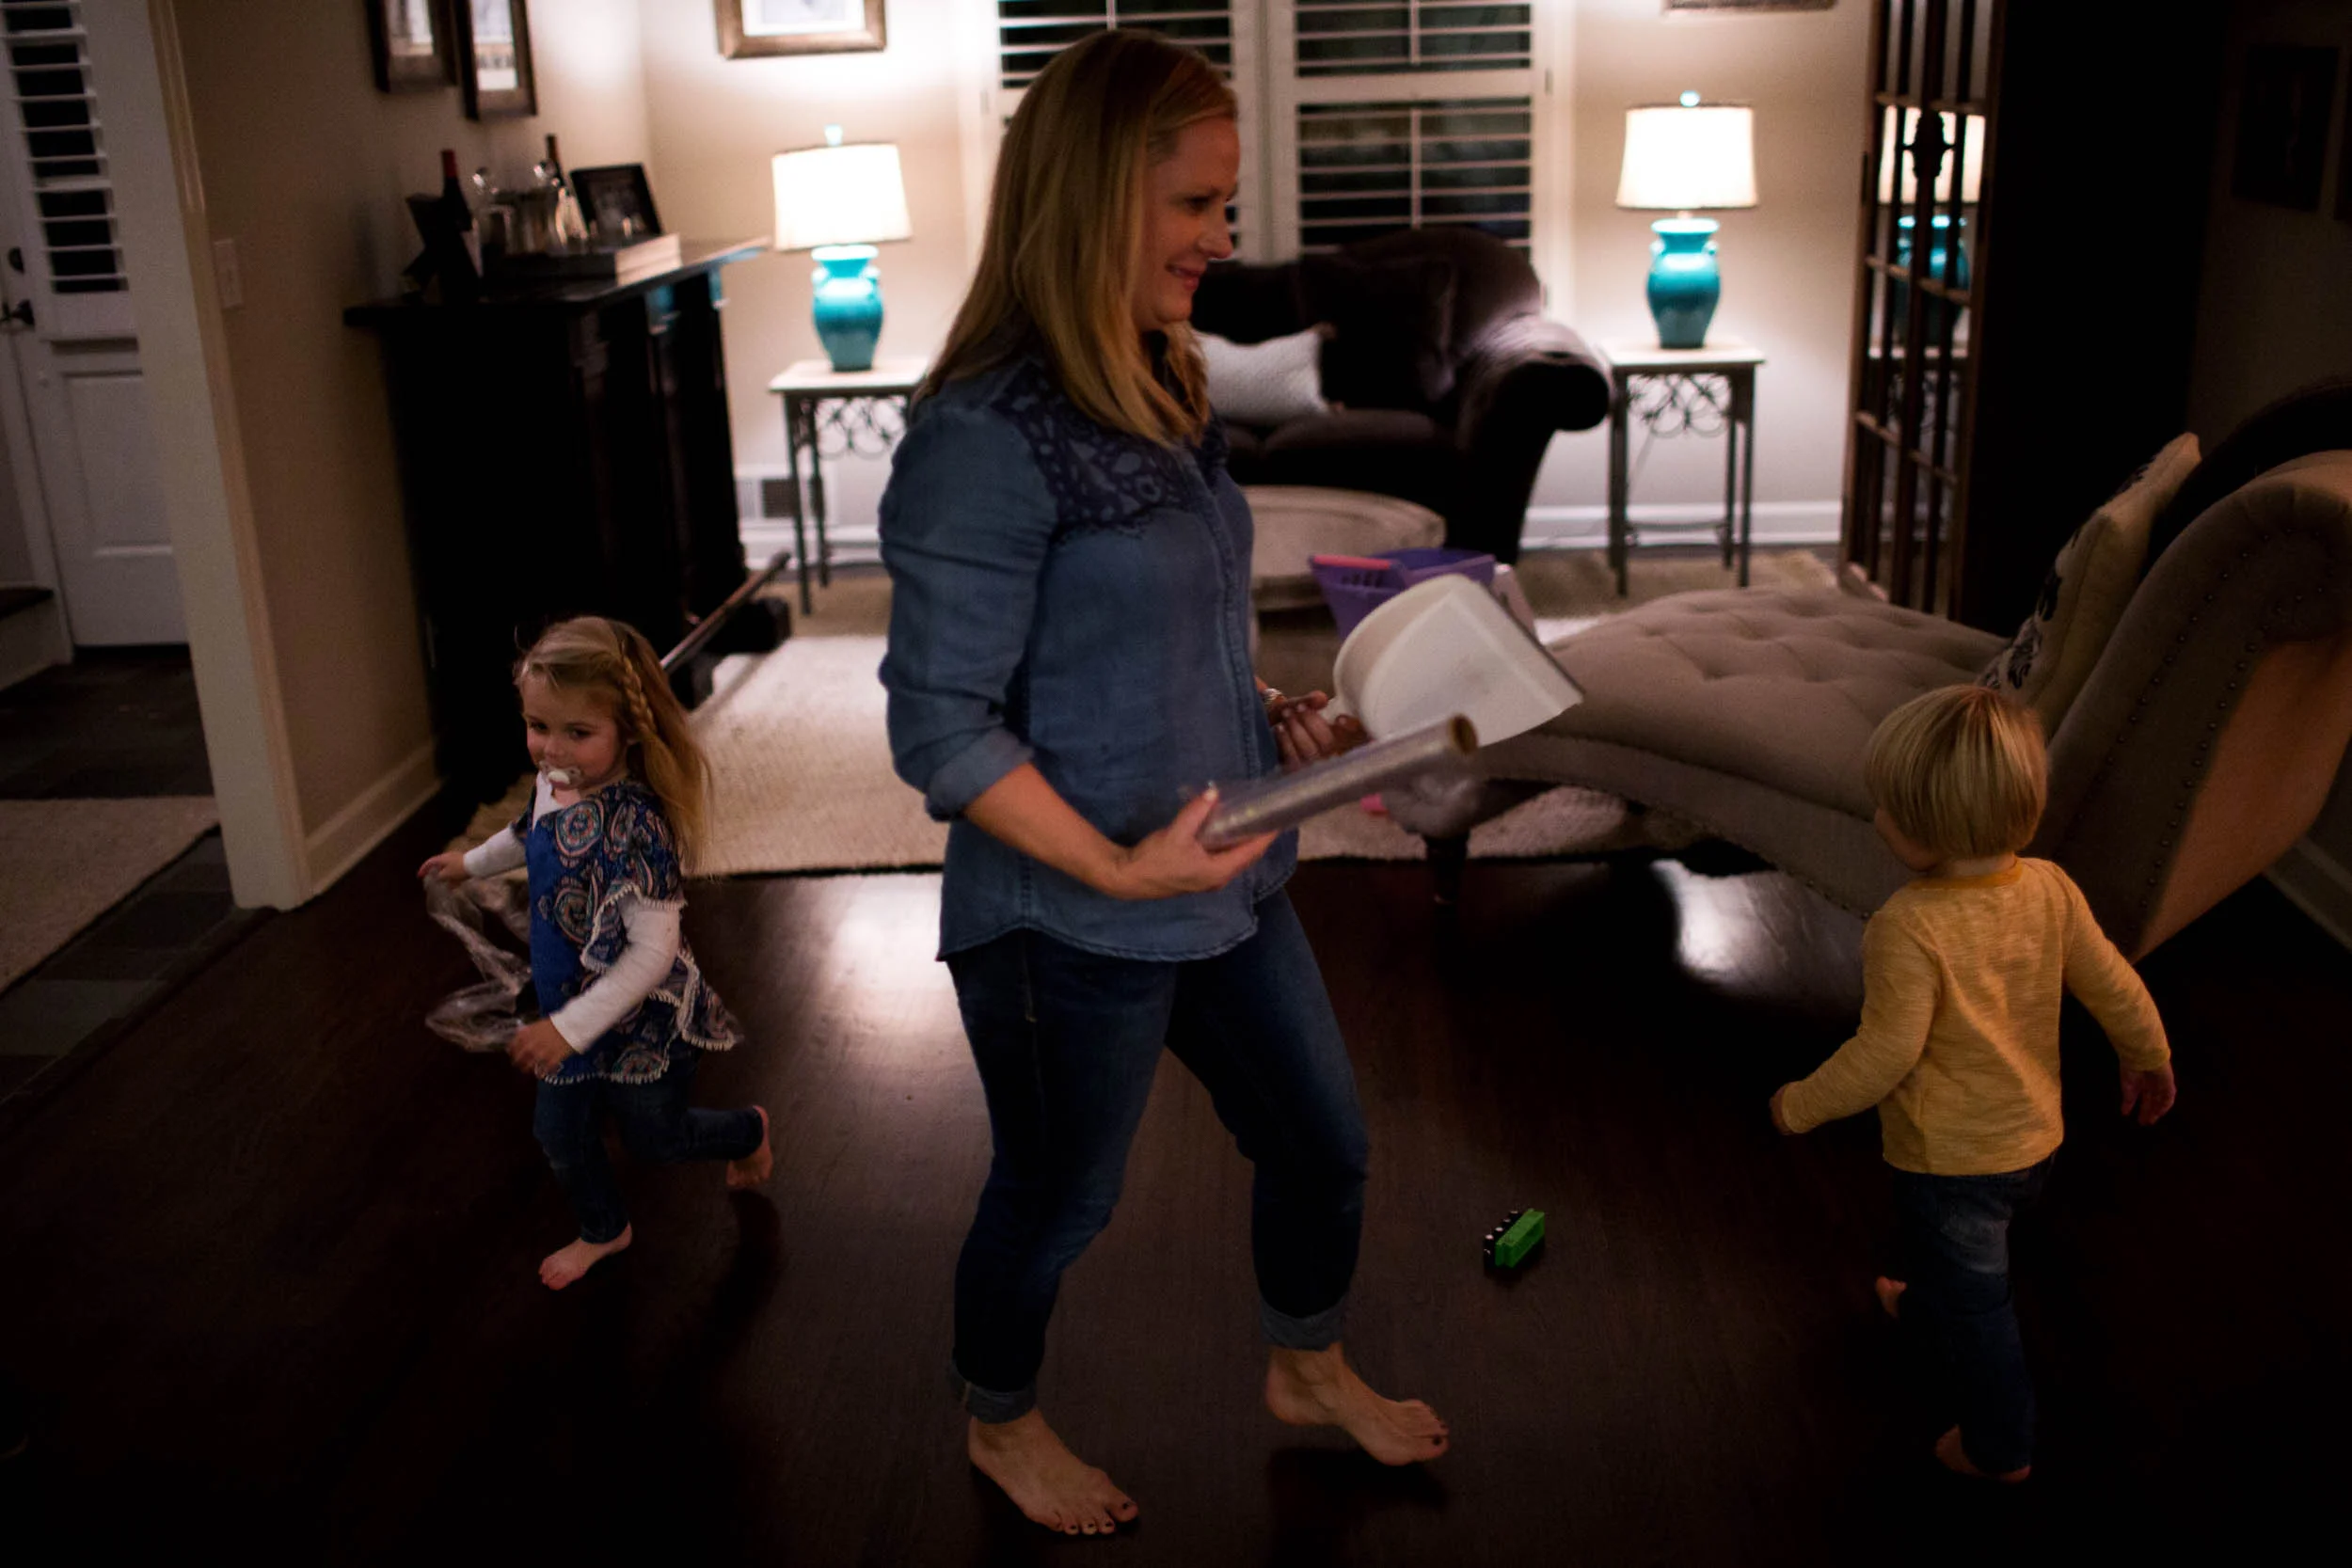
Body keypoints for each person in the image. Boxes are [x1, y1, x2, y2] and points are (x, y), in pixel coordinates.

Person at [879, 28, 1446, 1539]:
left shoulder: (1160, 373)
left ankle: (1306, 1362)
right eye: (1196, 203)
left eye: (1223, 203)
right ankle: (1001, 1417)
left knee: (1321, 1141)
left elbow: (1168, 619)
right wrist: (1120, 866)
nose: (1223, 236)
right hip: (1066, 917)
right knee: (1060, 1196)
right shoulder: (979, 438)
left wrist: (1265, 713)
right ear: (1090, 198)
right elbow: (939, 723)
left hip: (1225, 870)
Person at [1770, 684, 2176, 1482]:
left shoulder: (1908, 925)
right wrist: (2149, 1054)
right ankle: (1925, 1306)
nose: (1877, 816)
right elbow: (2113, 983)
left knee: (1981, 1305)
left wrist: (1801, 1103)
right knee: (1955, 1258)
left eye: (1889, 807)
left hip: (1951, 1162)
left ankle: (2000, 1445)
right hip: (2034, 1140)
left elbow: (1884, 1053)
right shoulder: (2051, 888)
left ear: (1928, 831)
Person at [421, 616, 771, 1290]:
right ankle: (605, 1227)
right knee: (558, 1133)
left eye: (578, 732)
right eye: (538, 725)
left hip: (641, 1025)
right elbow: (527, 832)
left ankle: (747, 1131)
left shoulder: (637, 828)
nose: (552, 748)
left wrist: (568, 1029)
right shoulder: (554, 782)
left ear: (628, 730)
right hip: (565, 1009)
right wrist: (471, 861)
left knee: (654, 1140)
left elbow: (650, 957)